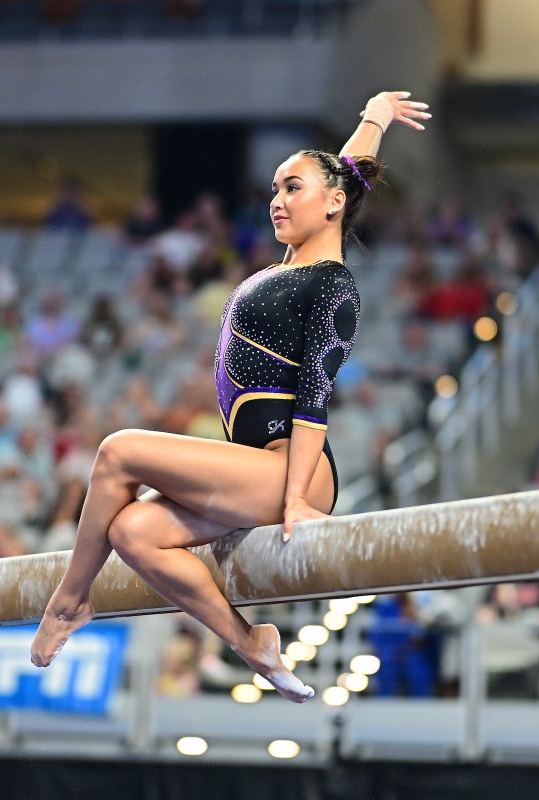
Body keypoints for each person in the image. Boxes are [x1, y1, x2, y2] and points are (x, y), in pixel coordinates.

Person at [29, 90, 430, 702]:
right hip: (255, 468)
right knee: (132, 532)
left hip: (291, 468)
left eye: (291, 188)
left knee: (118, 451)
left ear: (332, 204)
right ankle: (251, 645)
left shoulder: (333, 285)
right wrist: (373, 118)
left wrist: (295, 498)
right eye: (273, 189)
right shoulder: (292, 263)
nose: (276, 200)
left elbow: (314, 396)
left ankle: (69, 599)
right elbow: (342, 172)